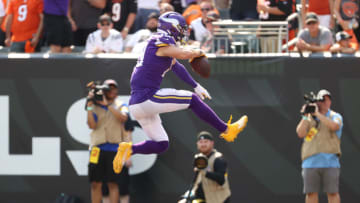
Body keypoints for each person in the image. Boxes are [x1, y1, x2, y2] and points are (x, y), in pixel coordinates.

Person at [112, 11, 248, 174]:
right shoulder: (160, 39)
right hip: (147, 97)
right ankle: (226, 130)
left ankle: (129, 148)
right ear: (172, 27)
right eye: (181, 28)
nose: (183, 32)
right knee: (192, 100)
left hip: (138, 104)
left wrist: (196, 85)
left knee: (162, 144)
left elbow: (177, 66)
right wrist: (198, 51)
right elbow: (184, 54)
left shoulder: (161, 45)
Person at [86, 79, 131, 203]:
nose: (111, 91)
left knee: (113, 183)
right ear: (104, 91)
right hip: (97, 148)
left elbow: (123, 118)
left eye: (113, 88)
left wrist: (108, 105)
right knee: (95, 183)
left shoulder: (121, 104)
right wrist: (89, 107)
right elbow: (91, 125)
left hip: (114, 149)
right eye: (108, 89)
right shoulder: (95, 105)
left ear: (116, 90)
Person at [296, 89, 343, 203]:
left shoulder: (335, 116)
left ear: (330, 102)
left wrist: (318, 114)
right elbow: (300, 133)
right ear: (317, 102)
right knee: (311, 193)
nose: (325, 102)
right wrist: (305, 116)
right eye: (322, 100)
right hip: (310, 162)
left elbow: (335, 126)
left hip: (330, 161)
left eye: (327, 99)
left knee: (333, 193)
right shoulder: (309, 118)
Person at [179, 131, 231, 203]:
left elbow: (221, 180)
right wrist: (188, 194)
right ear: (197, 144)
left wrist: (205, 172)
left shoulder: (218, 158)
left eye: (206, 142)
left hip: (218, 199)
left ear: (212, 143)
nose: (203, 144)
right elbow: (197, 181)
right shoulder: (198, 157)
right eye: (201, 142)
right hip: (200, 197)